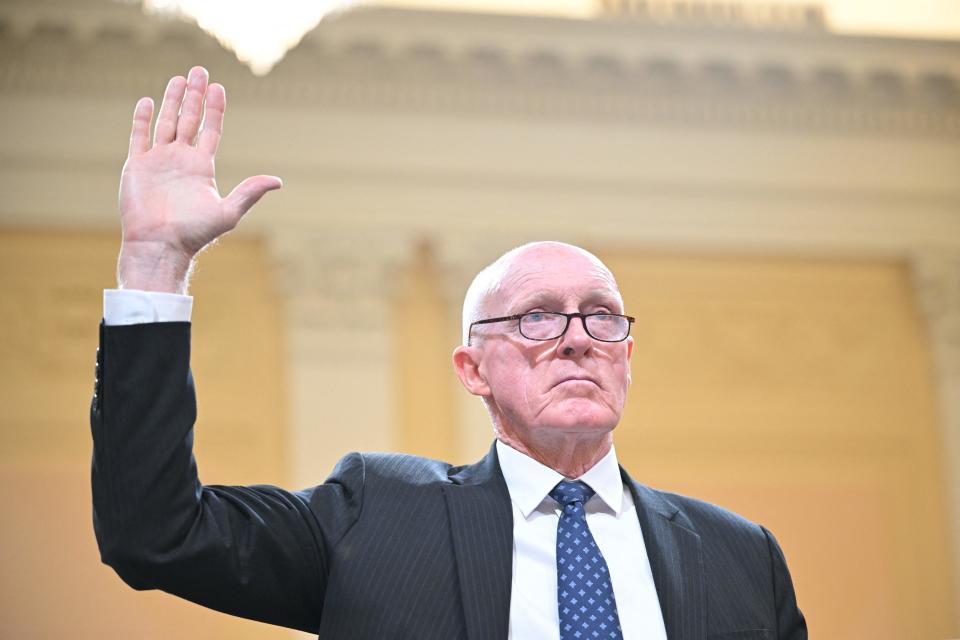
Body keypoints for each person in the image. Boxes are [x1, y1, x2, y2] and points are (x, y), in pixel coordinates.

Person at [91, 66, 807, 640]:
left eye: (602, 317)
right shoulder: (378, 518)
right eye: (535, 318)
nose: (578, 339)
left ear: (626, 354)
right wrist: (154, 266)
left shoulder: (742, 555)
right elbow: (156, 535)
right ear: (473, 370)